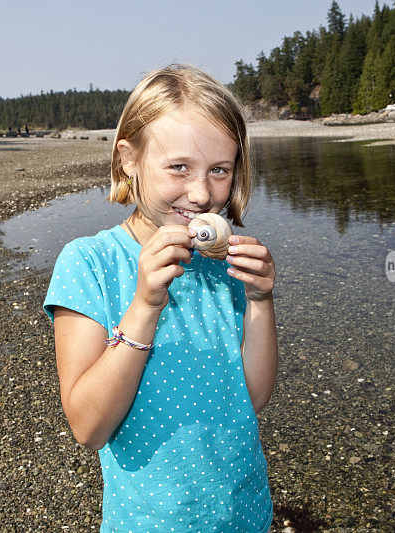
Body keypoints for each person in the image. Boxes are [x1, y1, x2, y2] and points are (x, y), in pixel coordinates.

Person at [43, 64, 277, 532]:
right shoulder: (90, 263)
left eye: (219, 170)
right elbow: (89, 428)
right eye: (178, 167)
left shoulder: (224, 262)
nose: (201, 193)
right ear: (129, 159)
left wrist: (260, 300)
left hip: (242, 510)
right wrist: (145, 306)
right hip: (150, 520)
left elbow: (253, 396)